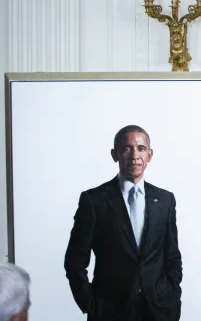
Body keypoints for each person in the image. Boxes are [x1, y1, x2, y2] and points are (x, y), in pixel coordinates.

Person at [64, 125, 183, 321]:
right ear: (115, 154)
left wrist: (170, 293)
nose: (135, 155)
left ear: (150, 155)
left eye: (141, 149)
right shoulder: (94, 201)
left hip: (159, 310)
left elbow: (173, 257)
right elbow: (74, 262)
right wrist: (90, 304)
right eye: (127, 148)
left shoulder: (165, 200)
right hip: (111, 312)